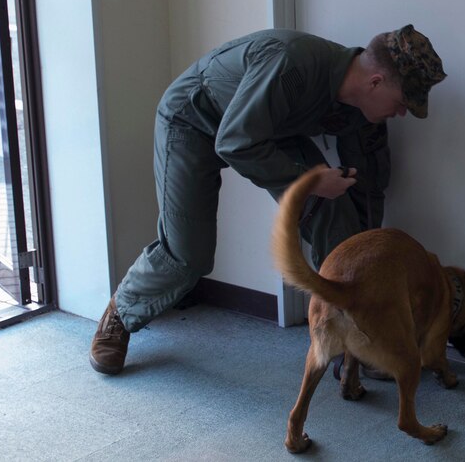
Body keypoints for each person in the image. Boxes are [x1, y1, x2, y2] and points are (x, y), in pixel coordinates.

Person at [89, 25, 446, 375]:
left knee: (337, 215)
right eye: (402, 104)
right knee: (188, 255)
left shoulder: (364, 111)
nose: (401, 114)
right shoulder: (291, 65)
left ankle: (353, 339)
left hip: (269, 132)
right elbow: (234, 142)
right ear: (375, 82)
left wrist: (364, 275)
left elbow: (368, 193)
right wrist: (308, 181)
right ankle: (120, 312)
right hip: (194, 122)